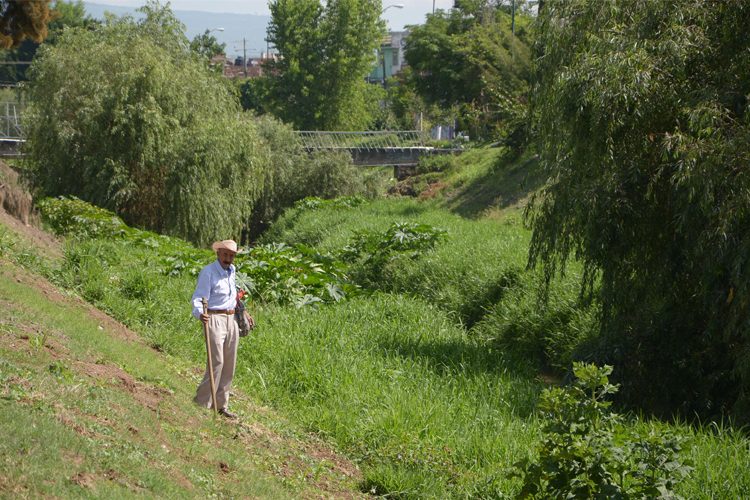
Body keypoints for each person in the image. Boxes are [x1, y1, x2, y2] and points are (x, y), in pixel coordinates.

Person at [191, 239, 241, 418]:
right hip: (214, 317)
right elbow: (198, 297)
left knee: (229, 363)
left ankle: (221, 406)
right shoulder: (208, 272)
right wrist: (199, 314)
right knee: (217, 361)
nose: (228, 259)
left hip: (231, 318)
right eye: (226, 254)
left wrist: (241, 308)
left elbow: (231, 295)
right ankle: (202, 402)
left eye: (232, 255)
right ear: (218, 253)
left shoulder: (232, 271)